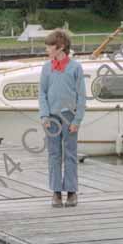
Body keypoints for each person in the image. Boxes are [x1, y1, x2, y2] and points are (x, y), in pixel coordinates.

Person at [39, 29, 86, 207]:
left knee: (70, 154)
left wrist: (77, 120)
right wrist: (44, 115)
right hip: (51, 119)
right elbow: (42, 93)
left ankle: (72, 192)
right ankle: (56, 192)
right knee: (54, 154)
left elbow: (81, 96)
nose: (46, 50)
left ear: (60, 47)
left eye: (49, 47)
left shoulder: (75, 68)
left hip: (69, 117)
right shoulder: (46, 68)